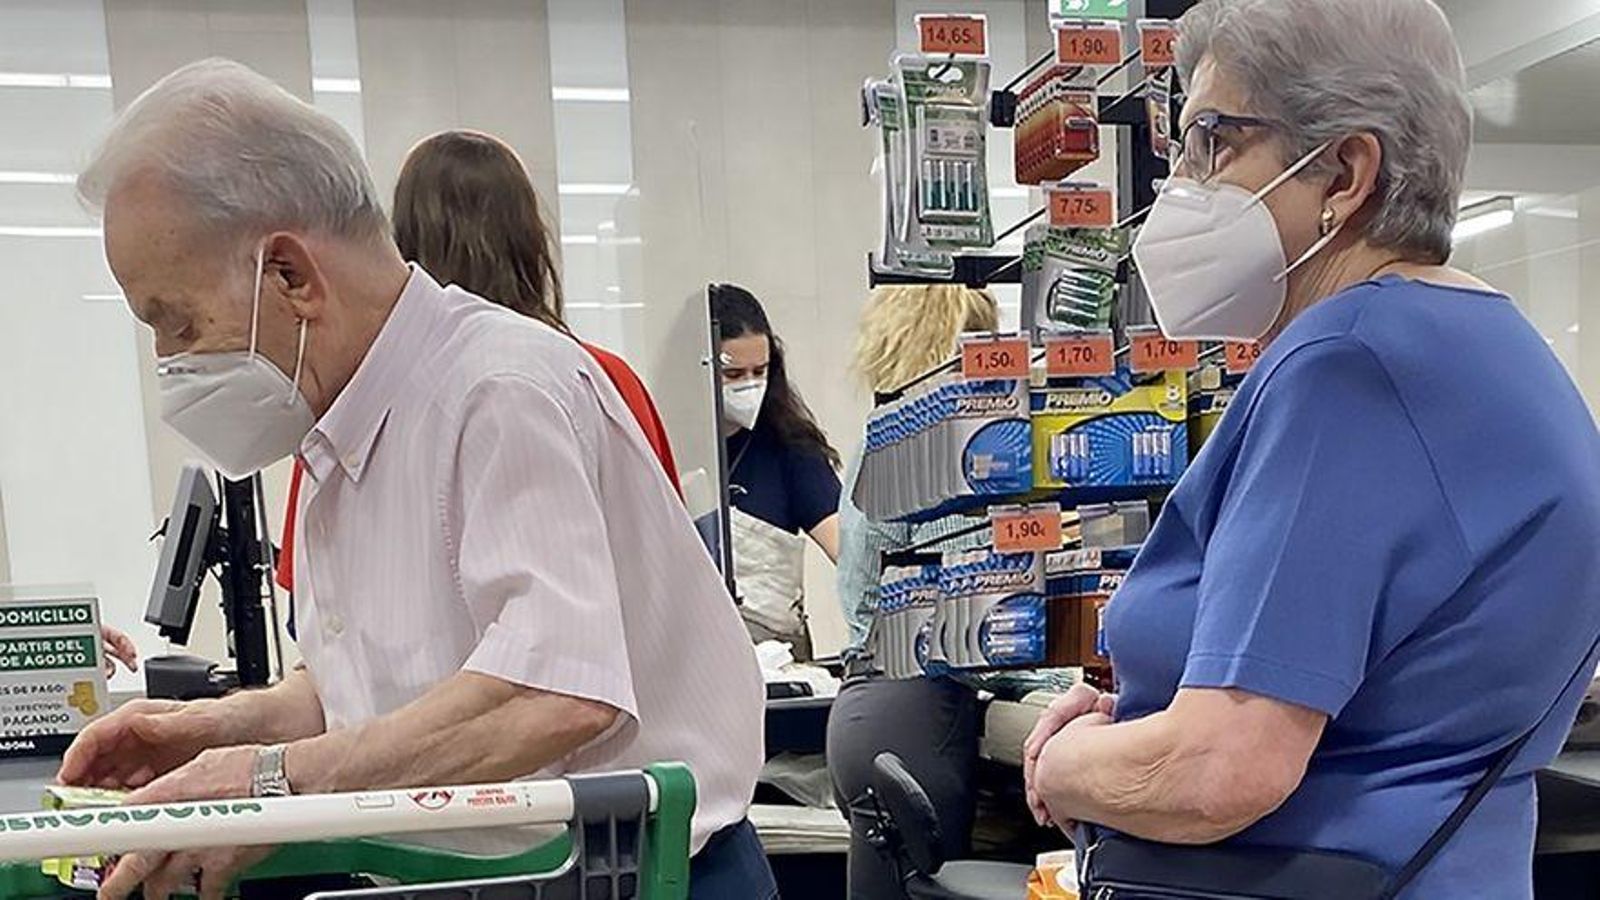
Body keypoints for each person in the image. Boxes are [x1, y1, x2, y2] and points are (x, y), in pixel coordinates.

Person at [64, 58, 771, 900]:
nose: (170, 362)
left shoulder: (498, 394)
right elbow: (377, 696)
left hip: (633, 879)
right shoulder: (342, 435)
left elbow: (552, 693)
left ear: (289, 275)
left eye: (175, 321)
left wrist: (268, 784)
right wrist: (217, 733)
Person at [1024, 1, 1600, 897]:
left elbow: (1221, 771)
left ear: (1344, 170)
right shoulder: (1487, 349)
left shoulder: (1348, 368)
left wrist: (1063, 762)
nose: (1181, 180)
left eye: (1212, 140)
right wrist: (1141, 720)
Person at [273, 128, 680, 597]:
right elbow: (660, 569)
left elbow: (314, 607)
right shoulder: (599, 378)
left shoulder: (351, 410)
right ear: (532, 241)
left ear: (399, 241)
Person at [825, 285, 1000, 899]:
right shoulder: (950, 459)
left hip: (862, 711)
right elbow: (967, 615)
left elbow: (859, 596)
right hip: (916, 718)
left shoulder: (878, 444)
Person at [711, 284, 841, 658]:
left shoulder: (791, 449)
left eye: (760, 371)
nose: (750, 384)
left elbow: (847, 549)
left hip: (775, 652)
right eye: (733, 374)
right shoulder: (663, 444)